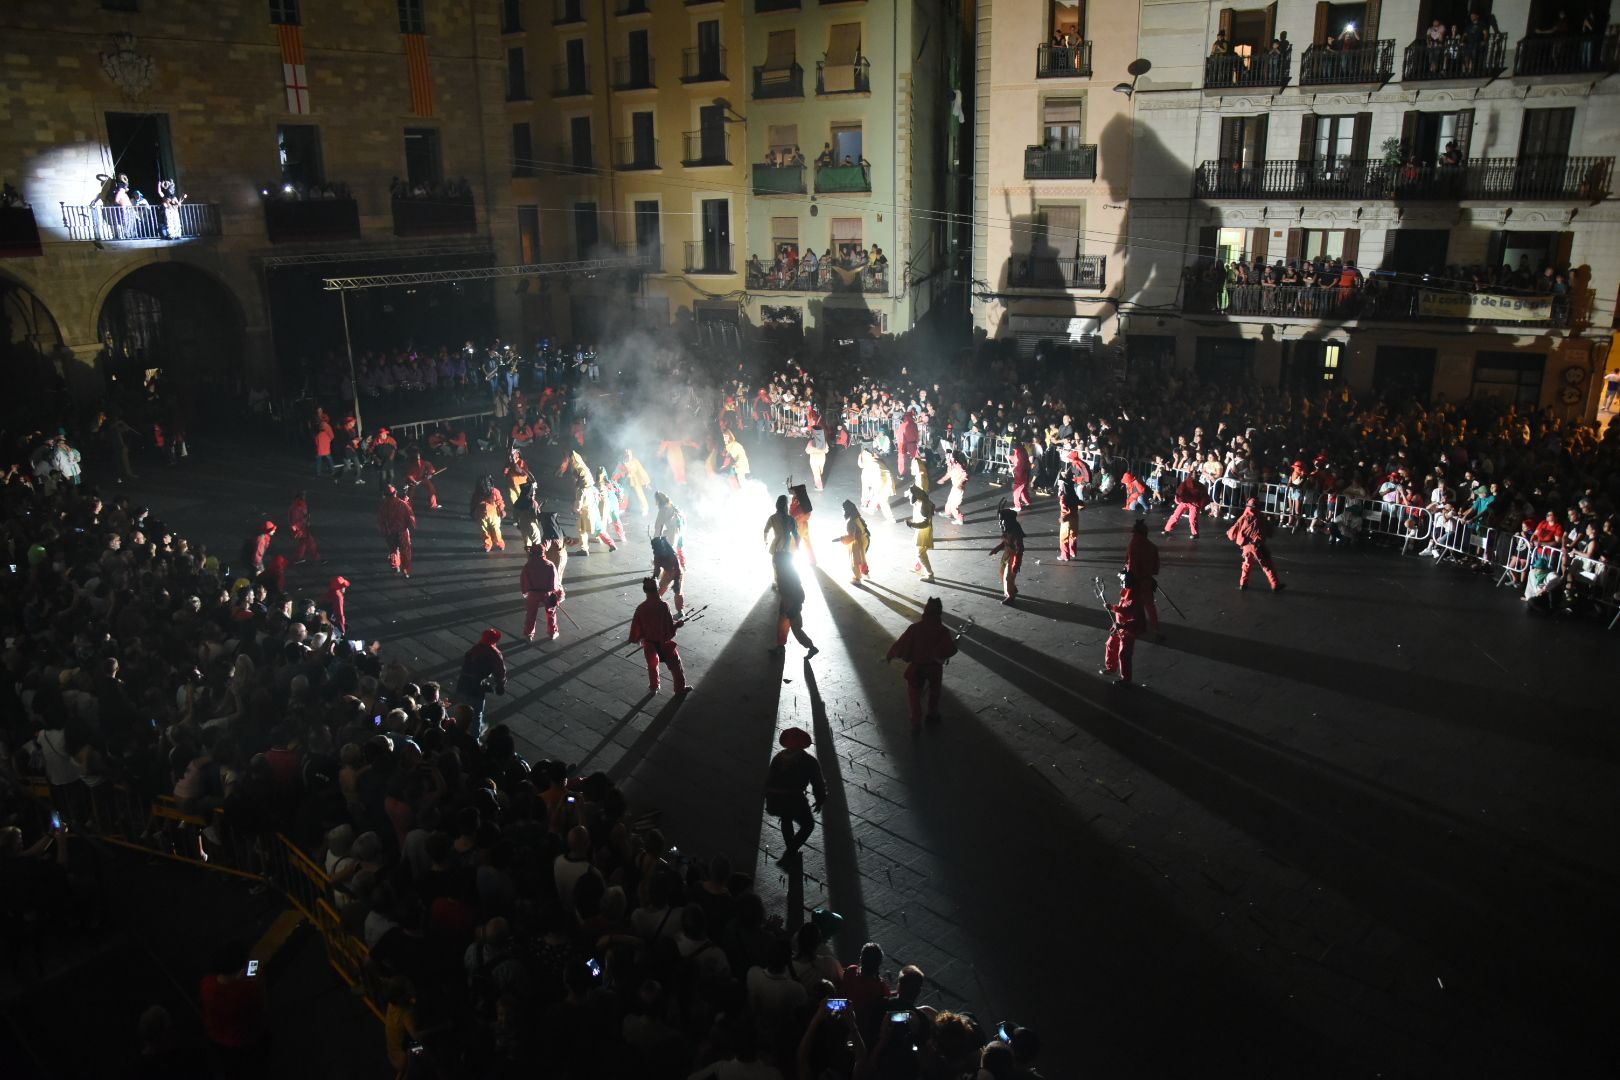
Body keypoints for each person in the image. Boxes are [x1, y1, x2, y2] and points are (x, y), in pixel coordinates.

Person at [885, 597, 959, 729]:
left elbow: (901, 644)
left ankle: (916, 720)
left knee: (914, 694)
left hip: (917, 668)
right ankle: (932, 713)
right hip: (935, 668)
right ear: (939, 613)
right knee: (934, 691)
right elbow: (950, 650)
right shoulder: (943, 631)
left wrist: (891, 654)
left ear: (925, 611)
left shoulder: (914, 629)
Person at [763, 727, 825, 866]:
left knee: (786, 819)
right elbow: (817, 783)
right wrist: (820, 799)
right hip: (794, 798)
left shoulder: (778, 757)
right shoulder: (808, 761)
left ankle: (791, 849)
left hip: (775, 799)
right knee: (808, 825)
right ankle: (789, 854)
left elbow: (769, 779)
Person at [629, 576, 691, 695]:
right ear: (657, 589)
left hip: (649, 643)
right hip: (664, 643)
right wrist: (677, 625)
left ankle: (654, 687)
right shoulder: (663, 606)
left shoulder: (641, 608)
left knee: (652, 665)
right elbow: (668, 627)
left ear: (645, 590)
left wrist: (637, 638)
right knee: (676, 666)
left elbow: (636, 627)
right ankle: (680, 689)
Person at [1227, 497, 1285, 591]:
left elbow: (1233, 532)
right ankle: (1275, 584)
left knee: (1247, 565)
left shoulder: (1244, 517)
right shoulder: (1261, 518)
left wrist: (1229, 533)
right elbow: (1269, 531)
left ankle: (1243, 584)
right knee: (1266, 565)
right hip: (1258, 546)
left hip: (1247, 546)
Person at [456, 629, 507, 736]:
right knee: (476, 716)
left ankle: (458, 734)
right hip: (476, 689)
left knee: (463, 714)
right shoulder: (494, 653)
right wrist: (500, 685)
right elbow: (500, 671)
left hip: (462, 686)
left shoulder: (474, 649)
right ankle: (474, 740)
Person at [1124, 519, 1163, 638]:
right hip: (1147, 580)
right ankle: (1156, 629)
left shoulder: (1133, 544)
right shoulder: (1152, 546)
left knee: (1129, 604)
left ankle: (1131, 627)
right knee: (1150, 605)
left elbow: (1131, 564)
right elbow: (1155, 567)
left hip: (1136, 581)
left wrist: (1130, 576)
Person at [773, 558, 818, 658]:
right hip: (787, 605)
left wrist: (795, 606)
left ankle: (812, 648)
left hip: (793, 606)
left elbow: (800, 594)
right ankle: (780, 646)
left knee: (796, 630)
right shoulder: (783, 574)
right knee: (782, 626)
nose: (775, 565)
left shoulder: (789, 576)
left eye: (776, 562)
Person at [520, 543, 563, 642]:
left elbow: (524, 580)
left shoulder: (528, 565)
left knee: (531, 614)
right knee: (551, 613)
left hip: (533, 594)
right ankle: (552, 632)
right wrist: (558, 593)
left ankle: (529, 634)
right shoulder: (549, 564)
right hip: (547, 593)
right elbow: (555, 582)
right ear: (543, 552)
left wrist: (525, 591)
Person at [1101, 586, 1143, 686]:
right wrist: (1112, 608)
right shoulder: (1126, 594)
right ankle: (1111, 667)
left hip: (1128, 631)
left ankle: (1126, 679)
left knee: (1124, 655)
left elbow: (1136, 620)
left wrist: (1122, 625)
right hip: (1119, 628)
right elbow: (1122, 610)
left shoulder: (1135, 600)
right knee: (1110, 645)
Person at [988, 503, 1025, 604]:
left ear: (1009, 521)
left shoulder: (1016, 532)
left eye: (1002, 521)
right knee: (1001, 572)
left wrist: (1016, 564)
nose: (1000, 523)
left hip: (1013, 556)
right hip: (1007, 553)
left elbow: (1020, 549)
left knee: (1008, 577)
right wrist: (997, 548)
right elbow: (1005, 542)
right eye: (999, 521)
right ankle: (1012, 587)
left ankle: (1010, 596)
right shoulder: (1007, 530)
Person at [378, 485, 417, 578]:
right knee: (406, 551)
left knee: (393, 550)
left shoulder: (383, 506)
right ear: (395, 493)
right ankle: (406, 571)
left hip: (390, 533)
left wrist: (385, 530)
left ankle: (395, 566)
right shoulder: (402, 504)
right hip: (402, 532)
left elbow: (381, 520)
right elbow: (410, 516)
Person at [905, 485, 937, 581]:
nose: (910, 498)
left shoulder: (923, 504)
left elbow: (925, 523)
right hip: (920, 531)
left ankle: (930, 575)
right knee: (918, 550)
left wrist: (912, 524)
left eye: (910, 495)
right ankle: (918, 568)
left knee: (920, 553)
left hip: (923, 532)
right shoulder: (920, 501)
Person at [837, 499, 872, 586]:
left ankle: (857, 578)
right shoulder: (858, 518)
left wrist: (842, 539)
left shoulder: (850, 522)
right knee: (862, 558)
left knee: (855, 560)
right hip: (865, 539)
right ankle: (865, 572)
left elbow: (851, 537)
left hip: (857, 542)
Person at [1164, 473, 1209, 538]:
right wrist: (1178, 499)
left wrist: (1199, 504)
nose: (1193, 477)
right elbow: (1179, 494)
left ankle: (1195, 533)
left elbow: (1205, 497)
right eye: (1192, 475)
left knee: (1192, 518)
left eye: (1194, 475)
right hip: (1185, 502)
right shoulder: (1184, 484)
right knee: (1176, 515)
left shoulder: (1201, 487)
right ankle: (1167, 529)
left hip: (1194, 503)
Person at [472, 474, 507, 553]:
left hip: (494, 515)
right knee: (484, 531)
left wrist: (501, 510)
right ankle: (488, 544)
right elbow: (473, 503)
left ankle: (499, 543)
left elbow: (500, 501)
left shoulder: (495, 491)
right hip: (481, 515)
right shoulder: (477, 494)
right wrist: (473, 512)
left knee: (496, 530)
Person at [650, 534, 684, 612]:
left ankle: (680, 610)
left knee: (678, 591)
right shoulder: (657, 555)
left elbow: (678, 569)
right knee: (661, 588)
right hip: (668, 572)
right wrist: (653, 579)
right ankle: (653, 604)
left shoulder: (672, 555)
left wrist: (676, 583)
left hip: (676, 571)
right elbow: (657, 570)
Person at [653, 491, 687, 569]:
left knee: (668, 548)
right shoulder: (673, 506)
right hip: (681, 528)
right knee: (679, 546)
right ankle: (683, 564)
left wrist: (656, 539)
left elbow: (658, 526)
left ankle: (669, 565)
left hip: (674, 530)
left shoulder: (663, 510)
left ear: (658, 501)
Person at [614, 448, 652, 515]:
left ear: (631, 454)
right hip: (625, 480)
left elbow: (641, 470)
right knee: (622, 494)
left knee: (640, 494)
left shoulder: (635, 461)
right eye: (626, 454)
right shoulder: (621, 462)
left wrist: (646, 481)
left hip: (635, 480)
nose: (628, 456)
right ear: (624, 455)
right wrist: (614, 479)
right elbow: (616, 471)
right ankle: (621, 507)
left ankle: (645, 508)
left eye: (629, 454)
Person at [289, 491, 320, 564]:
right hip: (301, 527)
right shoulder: (299, 505)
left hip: (302, 526)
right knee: (310, 542)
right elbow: (296, 517)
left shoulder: (298, 504)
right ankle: (316, 558)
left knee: (303, 543)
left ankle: (299, 558)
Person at [789, 483, 816, 567]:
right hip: (804, 525)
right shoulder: (803, 499)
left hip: (799, 526)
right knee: (807, 543)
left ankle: (789, 564)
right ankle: (812, 561)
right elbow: (807, 513)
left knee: (793, 545)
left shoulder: (797, 500)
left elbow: (793, 513)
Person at [764, 494, 799, 559]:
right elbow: (795, 534)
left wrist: (766, 541)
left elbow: (766, 531)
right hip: (787, 546)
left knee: (777, 564)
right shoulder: (791, 519)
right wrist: (797, 545)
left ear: (777, 505)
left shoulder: (772, 518)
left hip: (776, 546)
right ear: (786, 506)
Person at [1056, 475, 1082, 562]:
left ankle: (1065, 556)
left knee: (1063, 538)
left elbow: (1064, 509)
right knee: (1073, 536)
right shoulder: (1074, 495)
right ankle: (1073, 552)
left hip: (1067, 521)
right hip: (1075, 518)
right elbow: (1081, 504)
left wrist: (1062, 518)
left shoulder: (1064, 497)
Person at [943, 449, 969, 525]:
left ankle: (960, 519)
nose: (950, 458)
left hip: (958, 488)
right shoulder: (954, 464)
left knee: (954, 505)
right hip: (955, 487)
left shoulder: (959, 466)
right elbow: (949, 467)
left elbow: (965, 475)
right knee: (950, 500)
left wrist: (960, 484)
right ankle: (947, 513)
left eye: (951, 457)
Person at [370, 426, 399, 493]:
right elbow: (371, 450)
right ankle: (382, 490)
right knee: (383, 477)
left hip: (389, 460)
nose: (382, 435)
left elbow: (395, 447)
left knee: (392, 475)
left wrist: (392, 456)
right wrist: (376, 458)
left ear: (386, 433)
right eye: (381, 434)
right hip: (381, 461)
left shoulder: (390, 439)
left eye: (383, 434)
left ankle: (390, 487)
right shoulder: (376, 440)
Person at [806, 424, 830, 491]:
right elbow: (827, 450)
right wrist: (820, 451)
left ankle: (819, 486)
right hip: (822, 459)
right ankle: (818, 483)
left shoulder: (811, 442)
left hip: (814, 460)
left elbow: (807, 451)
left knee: (816, 473)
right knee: (819, 472)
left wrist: (815, 450)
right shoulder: (824, 442)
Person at [1010, 444, 1033, 510]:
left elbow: (1020, 464)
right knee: (1023, 489)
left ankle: (1017, 506)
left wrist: (1013, 469)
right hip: (1024, 473)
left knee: (1016, 490)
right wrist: (1010, 457)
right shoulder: (1022, 450)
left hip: (1021, 474)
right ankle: (1027, 501)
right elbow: (1016, 460)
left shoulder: (1019, 452)